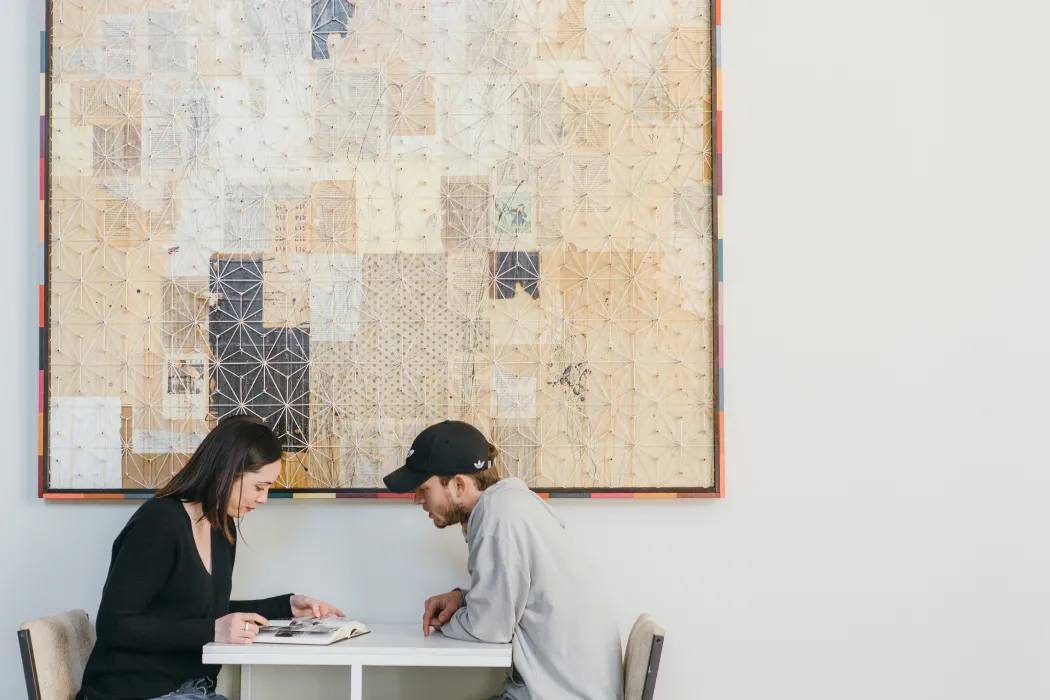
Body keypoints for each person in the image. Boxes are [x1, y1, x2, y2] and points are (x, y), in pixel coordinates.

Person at [77, 415, 344, 700]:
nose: (264, 498)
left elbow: (200, 610)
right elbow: (114, 624)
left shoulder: (221, 526)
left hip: (193, 691)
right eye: (259, 486)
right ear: (226, 472)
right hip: (135, 692)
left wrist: (286, 605)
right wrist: (212, 630)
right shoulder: (159, 522)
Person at [383, 420, 625, 700]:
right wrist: (463, 598)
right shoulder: (509, 506)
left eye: (423, 489)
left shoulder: (500, 519)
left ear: (459, 485)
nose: (417, 500)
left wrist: (444, 621)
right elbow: (515, 600)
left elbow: (488, 627)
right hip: (566, 687)